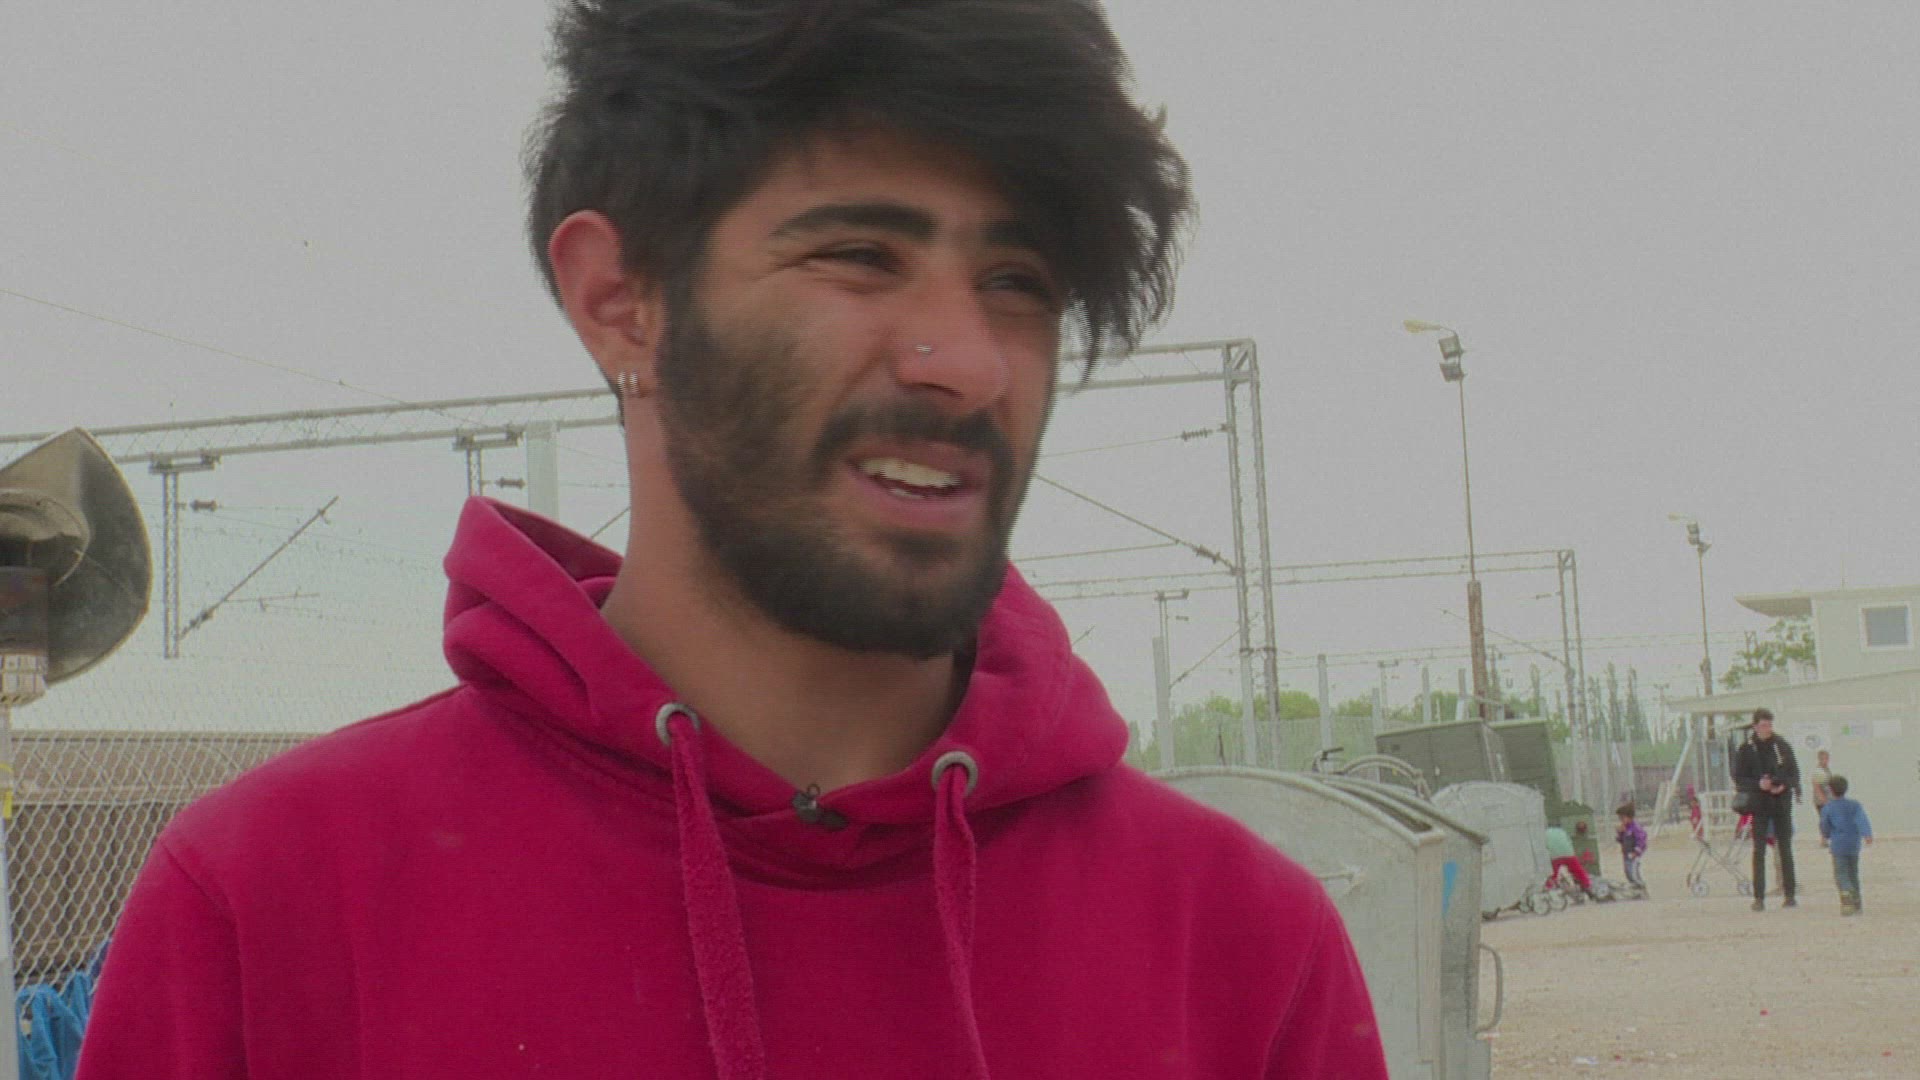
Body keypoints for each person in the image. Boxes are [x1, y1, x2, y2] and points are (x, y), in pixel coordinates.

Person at [76, 3, 1389, 1077]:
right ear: (619, 300)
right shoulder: (269, 911)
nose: (968, 361)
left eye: (1019, 284)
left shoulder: (1240, 947)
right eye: (860, 256)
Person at [1730, 708, 1800, 911]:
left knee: (1785, 848)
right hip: (1759, 804)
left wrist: (1782, 785)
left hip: (1781, 803)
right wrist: (1758, 785)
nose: (1767, 729)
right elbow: (1739, 778)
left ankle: (1789, 894)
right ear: (1755, 726)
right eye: (1763, 725)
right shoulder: (1746, 749)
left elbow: (1794, 774)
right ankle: (1759, 897)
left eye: (1769, 725)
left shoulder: (1781, 745)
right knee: (1758, 850)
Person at [1817, 774, 1874, 915]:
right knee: (1853, 873)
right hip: (1853, 844)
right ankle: (1857, 902)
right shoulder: (1855, 805)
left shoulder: (1828, 807)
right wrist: (1867, 834)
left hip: (1838, 845)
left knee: (1841, 874)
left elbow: (1825, 825)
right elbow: (1862, 819)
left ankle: (1847, 896)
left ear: (1830, 790)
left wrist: (1826, 835)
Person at [1546, 823, 1594, 896]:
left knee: (1553, 874)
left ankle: (1548, 888)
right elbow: (1569, 842)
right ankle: (1587, 885)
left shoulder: (1545, 833)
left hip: (1554, 856)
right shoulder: (1563, 832)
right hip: (1568, 853)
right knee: (1578, 870)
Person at [1615, 804, 1648, 893]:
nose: (1621, 820)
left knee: (1634, 874)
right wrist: (1620, 833)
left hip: (1633, 855)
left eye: (1622, 818)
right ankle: (1636, 890)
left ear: (1629, 817)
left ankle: (1641, 888)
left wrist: (1636, 852)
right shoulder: (1625, 828)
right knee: (1628, 873)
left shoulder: (1635, 828)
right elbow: (1620, 840)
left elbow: (1641, 840)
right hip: (1626, 855)